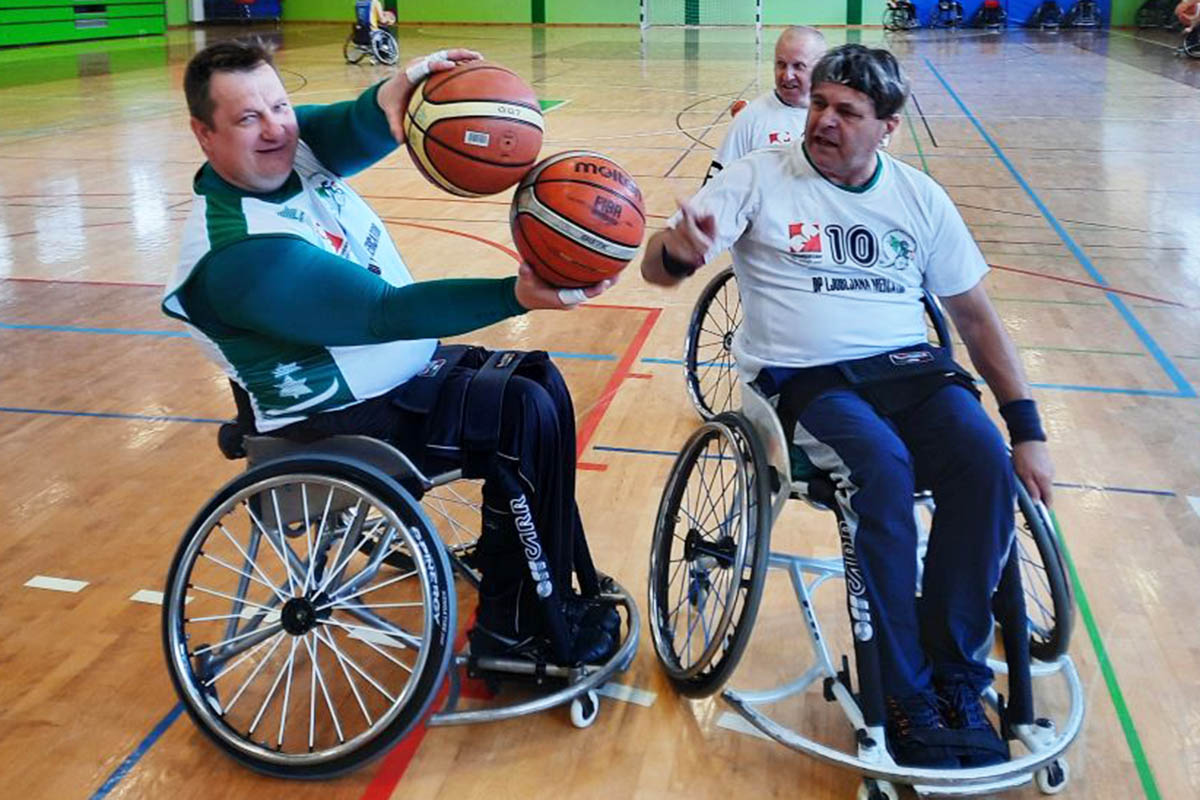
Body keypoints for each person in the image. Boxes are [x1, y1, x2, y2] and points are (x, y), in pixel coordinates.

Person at [642, 44, 1055, 769]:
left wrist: (1027, 429)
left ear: (887, 127)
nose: (824, 119)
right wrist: (678, 249)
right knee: (881, 472)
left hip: (911, 372)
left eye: (847, 111)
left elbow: (976, 319)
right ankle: (903, 693)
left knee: (986, 464)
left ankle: (958, 678)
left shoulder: (919, 197)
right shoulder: (759, 178)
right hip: (807, 380)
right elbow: (658, 268)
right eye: (820, 104)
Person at [164, 39, 620, 667]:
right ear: (204, 134)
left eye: (279, 105)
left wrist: (409, 84)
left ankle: (529, 575)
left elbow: (360, 122)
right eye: (248, 117)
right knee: (520, 414)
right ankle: (516, 630)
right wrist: (516, 294)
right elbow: (385, 312)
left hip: (395, 378)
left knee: (538, 381)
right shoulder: (239, 254)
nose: (275, 128)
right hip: (337, 424)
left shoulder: (284, 149)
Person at [703, 26, 826, 185]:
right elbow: (714, 187)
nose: (787, 76)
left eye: (798, 66)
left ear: (820, 68)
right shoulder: (749, 119)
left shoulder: (834, 119)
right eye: (781, 64)